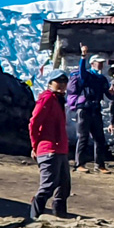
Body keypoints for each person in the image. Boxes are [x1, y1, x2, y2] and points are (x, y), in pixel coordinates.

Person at [29, 71, 71, 219]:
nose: (62, 84)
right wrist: (35, 146)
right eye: (58, 81)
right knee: (48, 186)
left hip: (60, 148)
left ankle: (60, 216)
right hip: (48, 149)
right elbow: (34, 123)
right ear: (50, 83)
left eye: (64, 82)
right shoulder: (47, 99)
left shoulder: (58, 100)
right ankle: (34, 216)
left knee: (64, 186)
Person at [68, 45, 110, 173]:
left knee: (99, 138)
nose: (101, 65)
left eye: (102, 63)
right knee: (83, 137)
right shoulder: (86, 76)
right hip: (84, 109)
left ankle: (100, 165)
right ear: (92, 63)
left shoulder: (102, 79)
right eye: (98, 63)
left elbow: (107, 93)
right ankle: (79, 164)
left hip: (96, 109)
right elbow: (81, 71)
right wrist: (83, 56)